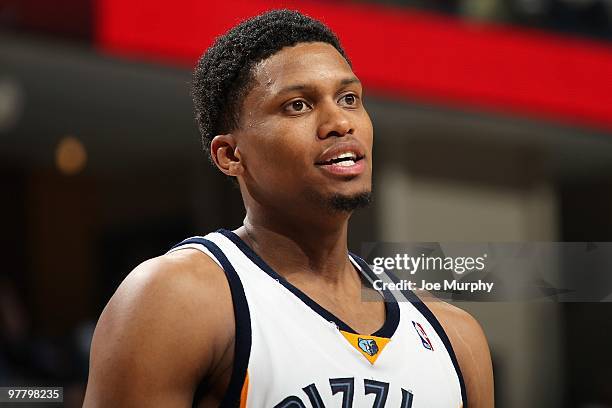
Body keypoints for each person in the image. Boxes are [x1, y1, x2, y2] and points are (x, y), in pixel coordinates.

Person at [83, 9, 494, 407]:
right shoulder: (175, 299)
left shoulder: (453, 335)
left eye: (349, 98)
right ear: (230, 155)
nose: (340, 122)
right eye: (297, 105)